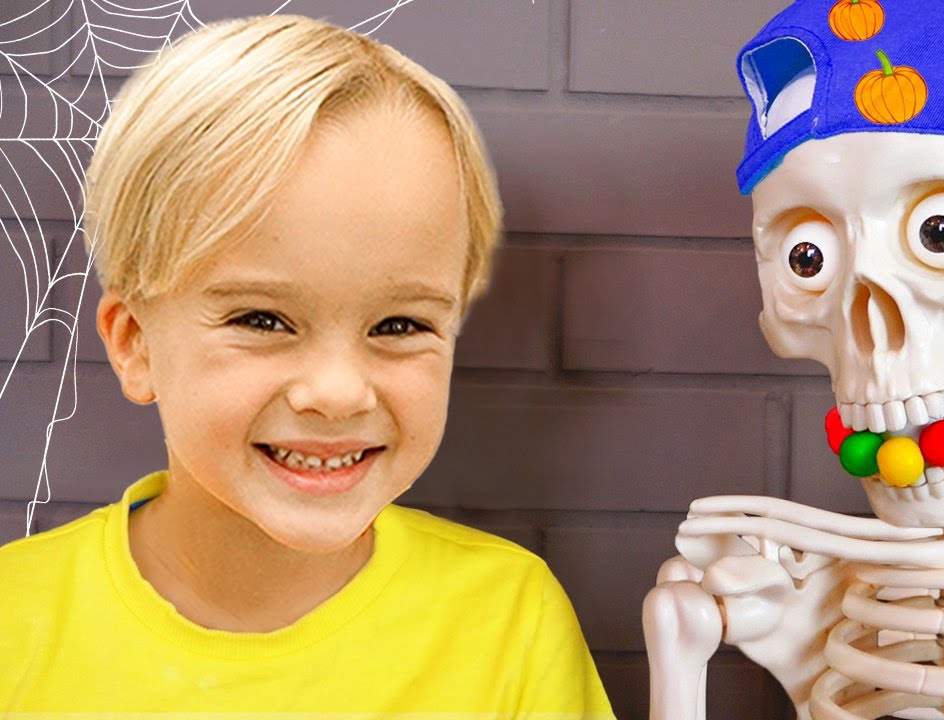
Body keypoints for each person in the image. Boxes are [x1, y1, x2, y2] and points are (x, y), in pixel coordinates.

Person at [0, 14, 614, 717]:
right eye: (261, 320)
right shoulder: (14, 620)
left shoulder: (509, 621)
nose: (338, 393)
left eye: (400, 325)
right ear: (135, 343)